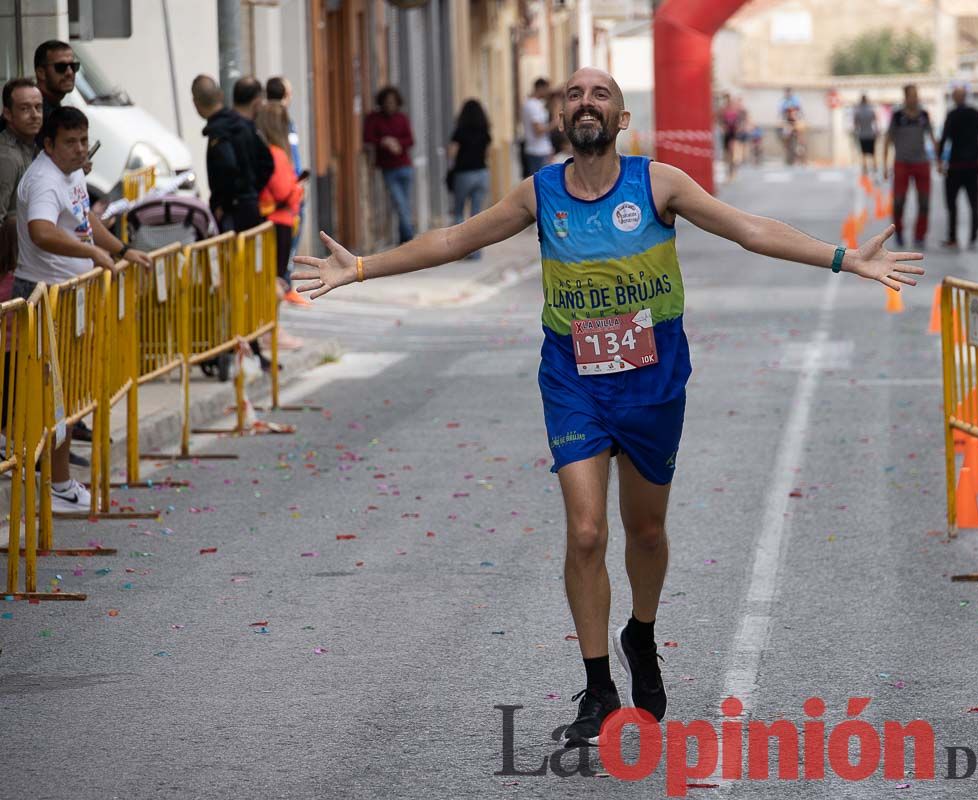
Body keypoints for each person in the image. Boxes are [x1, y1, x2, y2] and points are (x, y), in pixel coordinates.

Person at [292, 67, 924, 748]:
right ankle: (598, 686)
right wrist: (359, 268)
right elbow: (453, 240)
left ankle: (640, 634)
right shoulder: (539, 195)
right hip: (575, 381)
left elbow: (748, 229)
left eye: (599, 95)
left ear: (622, 118)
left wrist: (842, 259)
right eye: (573, 94)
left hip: (653, 381)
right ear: (561, 117)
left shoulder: (658, 185)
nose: (584, 102)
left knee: (645, 532)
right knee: (587, 532)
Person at [13, 107, 151, 511]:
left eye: (83, 141)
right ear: (49, 144)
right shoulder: (42, 180)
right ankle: (55, 485)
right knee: (57, 396)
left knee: (69, 394)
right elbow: (41, 231)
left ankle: (59, 483)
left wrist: (121, 249)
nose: (79, 150)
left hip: (69, 296)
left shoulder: (70, 173)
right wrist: (91, 251)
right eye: (69, 143)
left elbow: (83, 218)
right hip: (46, 296)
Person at [191, 74, 275, 372]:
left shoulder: (219, 133)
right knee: (249, 281)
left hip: (235, 213)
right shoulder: (243, 126)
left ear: (196, 104)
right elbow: (268, 163)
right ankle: (252, 346)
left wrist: (227, 201)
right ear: (221, 98)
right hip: (251, 209)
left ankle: (241, 347)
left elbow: (226, 169)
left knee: (232, 282)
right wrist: (252, 189)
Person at [255, 102, 304, 350]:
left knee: (271, 278)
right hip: (278, 222)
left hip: (273, 221)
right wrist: (297, 190)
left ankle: (270, 328)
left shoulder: (265, 152)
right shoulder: (275, 153)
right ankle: (270, 329)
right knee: (274, 279)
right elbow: (284, 190)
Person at [266, 75, 309, 306]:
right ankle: (283, 287)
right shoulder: (280, 121)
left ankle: (284, 285)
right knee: (286, 246)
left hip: (290, 192)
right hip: (286, 199)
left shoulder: (275, 120)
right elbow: (291, 157)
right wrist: (297, 185)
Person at [937, 85, 978, 250]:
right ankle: (973, 236)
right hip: (972, 165)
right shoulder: (976, 114)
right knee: (974, 202)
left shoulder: (952, 115)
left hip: (956, 165)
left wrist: (940, 160)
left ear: (955, 98)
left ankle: (953, 237)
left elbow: (944, 138)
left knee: (952, 203)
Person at [883, 84, 938, 248]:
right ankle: (898, 232)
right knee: (899, 201)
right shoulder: (897, 116)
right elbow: (887, 139)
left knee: (924, 202)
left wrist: (939, 159)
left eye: (916, 95)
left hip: (921, 163)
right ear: (905, 97)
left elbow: (933, 137)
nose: (914, 98)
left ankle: (920, 235)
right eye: (911, 95)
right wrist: (885, 165)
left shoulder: (924, 115)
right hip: (902, 163)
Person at [0, 79, 41, 290]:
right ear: (7, 114)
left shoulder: (30, 147)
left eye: (38, 107)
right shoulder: (7, 156)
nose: (34, 115)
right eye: (25, 108)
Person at [363, 86, 416, 245]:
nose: (390, 105)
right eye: (387, 102)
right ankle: (409, 238)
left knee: (404, 203)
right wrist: (384, 142)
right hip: (388, 168)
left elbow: (411, 140)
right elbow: (368, 138)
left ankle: (404, 240)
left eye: (392, 102)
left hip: (405, 166)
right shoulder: (375, 118)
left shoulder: (402, 118)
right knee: (400, 203)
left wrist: (398, 143)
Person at [447, 99, 491, 261]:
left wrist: (451, 168)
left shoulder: (460, 131)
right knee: (477, 215)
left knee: (458, 212)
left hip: (464, 174)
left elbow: (452, 152)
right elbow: (486, 154)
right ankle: (476, 252)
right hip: (481, 173)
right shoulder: (484, 132)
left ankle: (459, 250)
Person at [32, 40, 78, 147]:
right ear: (41, 73)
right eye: (61, 67)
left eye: (73, 66)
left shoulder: (51, 103)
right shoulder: (33, 110)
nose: (70, 72)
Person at [521, 78, 554, 177]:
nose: (548, 92)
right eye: (547, 89)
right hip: (537, 151)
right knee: (540, 185)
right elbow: (538, 130)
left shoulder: (536, 104)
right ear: (540, 88)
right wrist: (555, 123)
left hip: (540, 150)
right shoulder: (532, 105)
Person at [852, 94, 878, 177]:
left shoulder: (858, 111)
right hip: (870, 133)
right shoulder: (871, 110)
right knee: (872, 152)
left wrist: (856, 133)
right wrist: (876, 131)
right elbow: (875, 121)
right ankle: (874, 166)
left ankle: (865, 167)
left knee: (863, 152)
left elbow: (855, 124)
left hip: (862, 134)